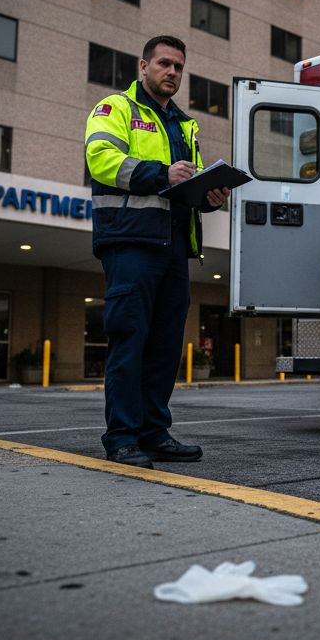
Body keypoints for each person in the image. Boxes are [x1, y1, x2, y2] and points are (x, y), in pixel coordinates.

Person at [84, 35, 230, 468]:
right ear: (143, 66)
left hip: (174, 246)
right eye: (165, 64)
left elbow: (181, 188)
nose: (173, 73)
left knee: (165, 344)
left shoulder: (185, 125)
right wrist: (161, 172)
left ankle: (153, 432)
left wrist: (209, 195)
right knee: (130, 338)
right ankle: (122, 437)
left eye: (179, 67)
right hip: (130, 241)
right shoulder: (115, 108)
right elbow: (101, 159)